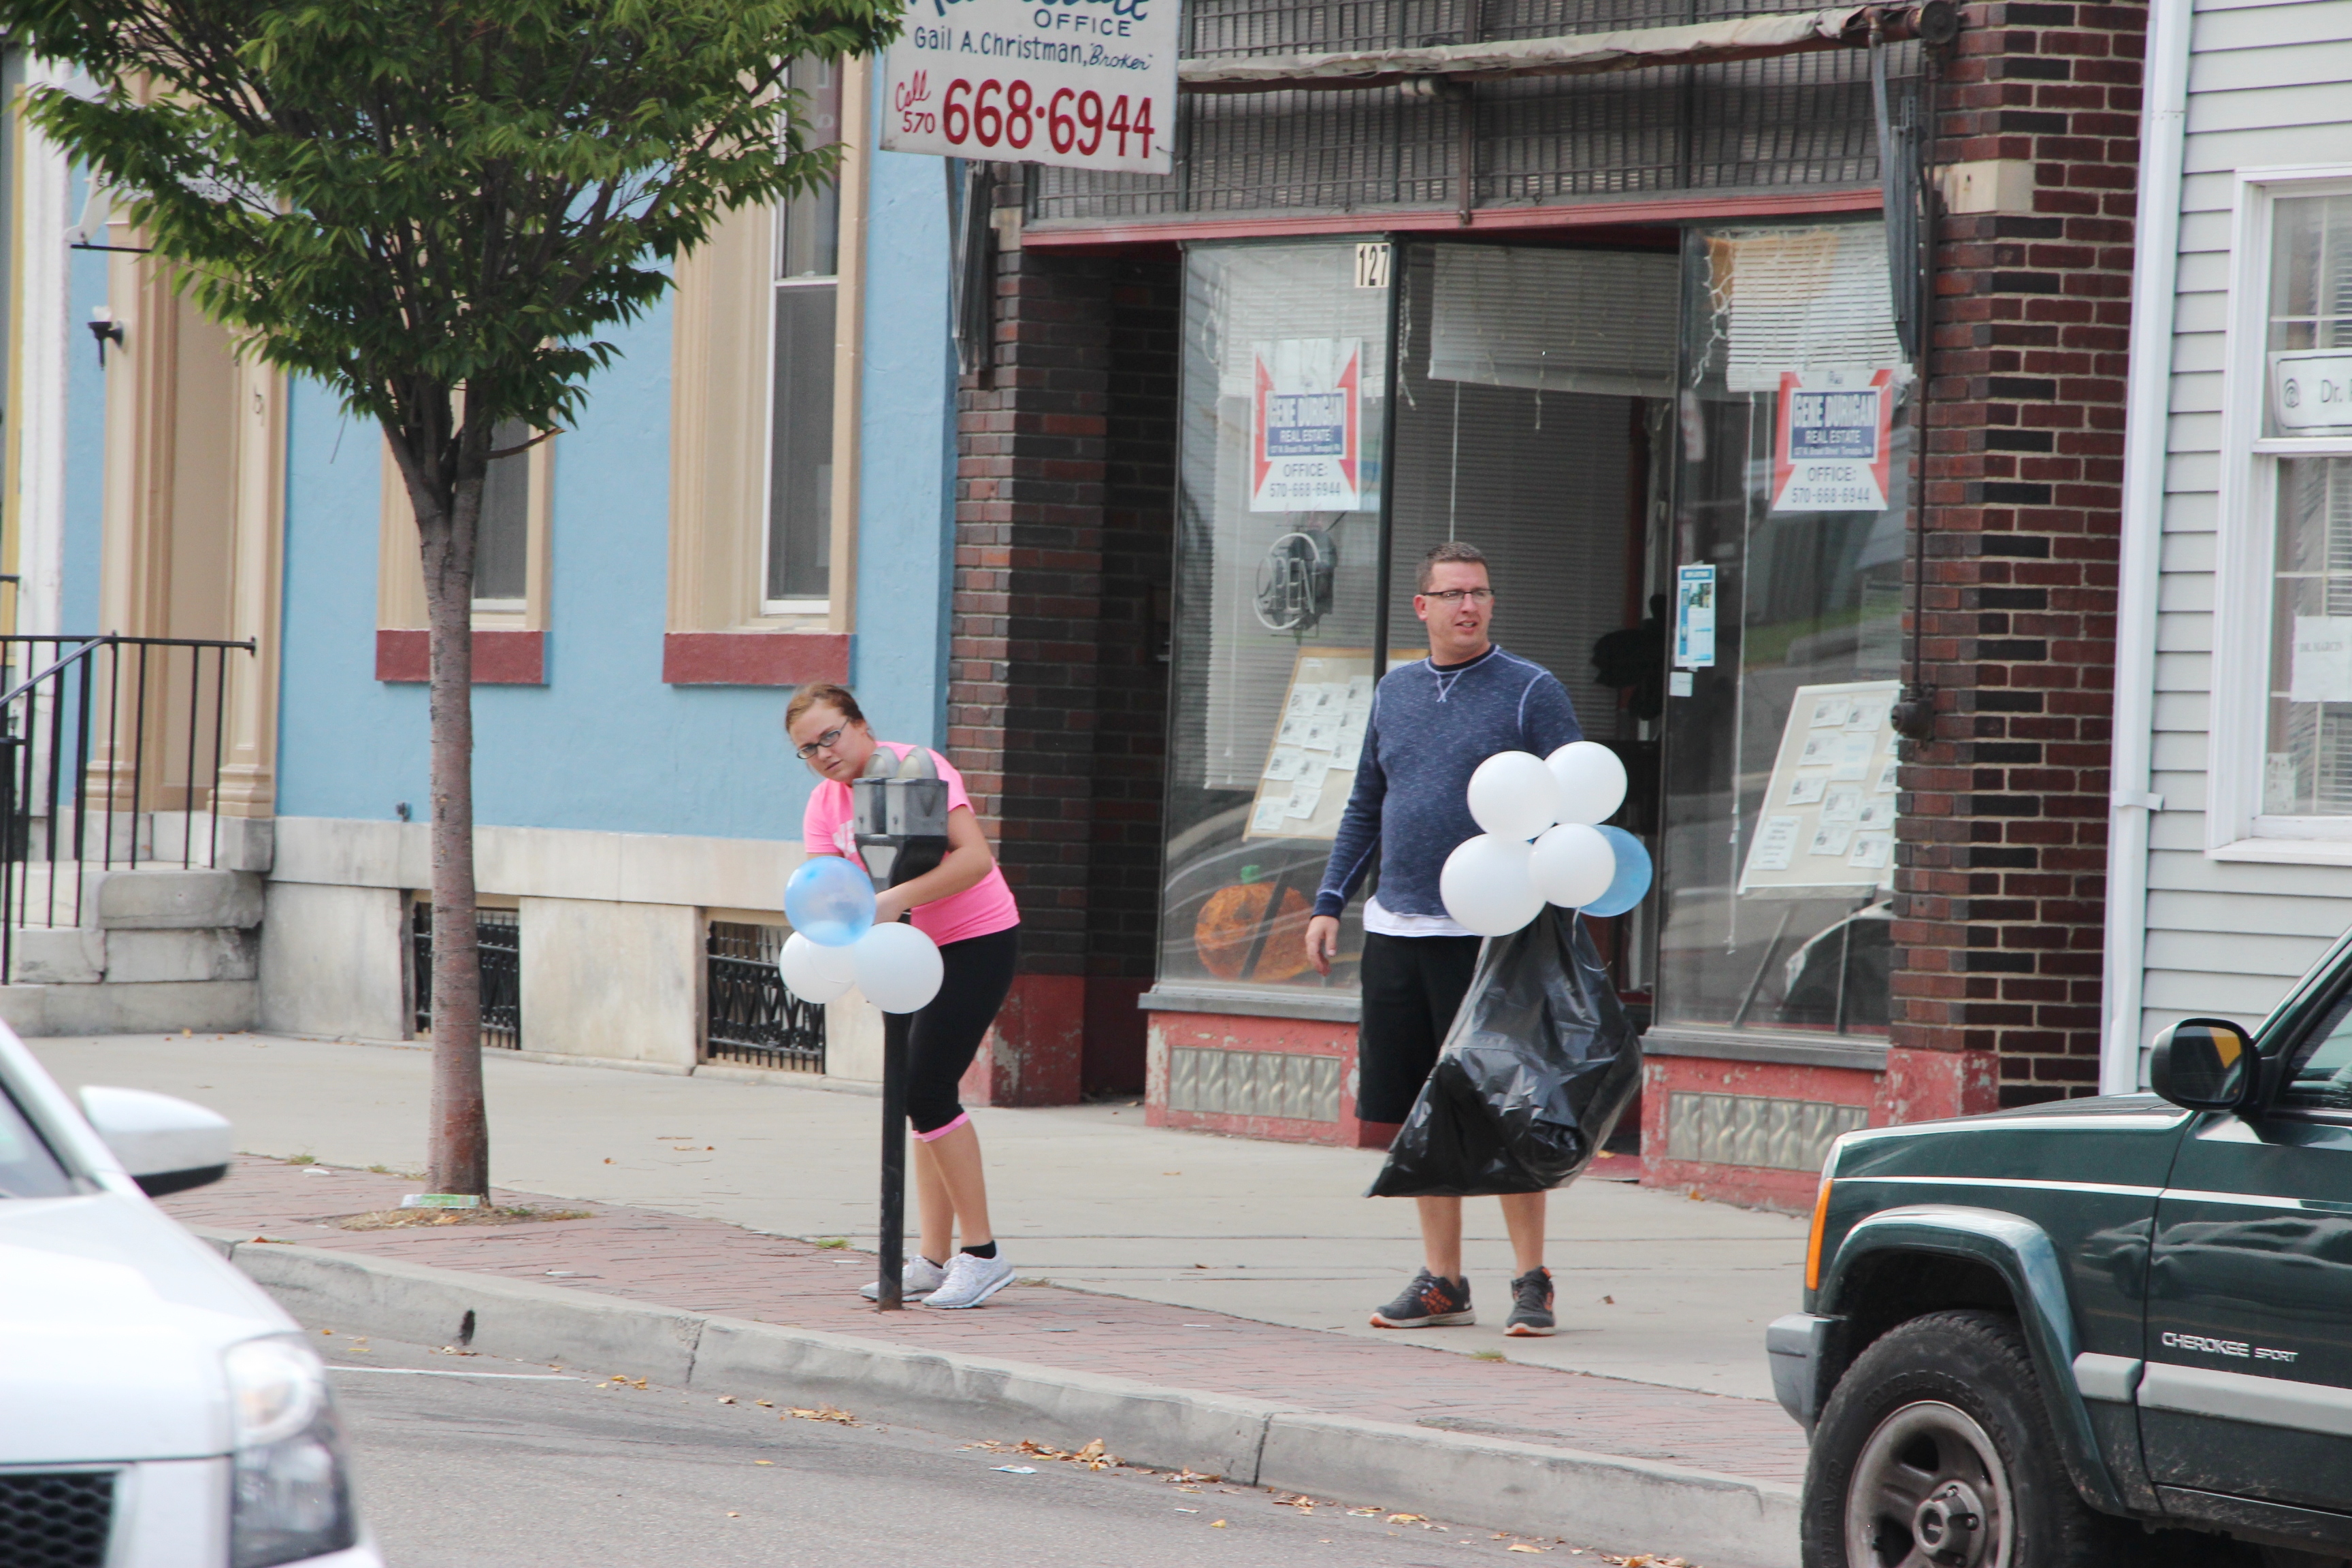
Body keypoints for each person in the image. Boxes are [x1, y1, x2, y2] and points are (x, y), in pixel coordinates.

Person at [1305, 541, 1583, 1337]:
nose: (1470, 606)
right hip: (1398, 927)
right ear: (1421, 606)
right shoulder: (1394, 692)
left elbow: (1575, 809)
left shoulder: (1530, 690)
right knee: (1421, 1114)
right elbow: (1367, 803)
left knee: (1509, 1106)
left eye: (1481, 593)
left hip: (1492, 937)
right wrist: (1330, 900)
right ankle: (1443, 1281)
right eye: (1454, 594)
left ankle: (1532, 1280)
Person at [788, 683, 1023, 1309]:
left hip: (974, 939)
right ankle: (933, 1259)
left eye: (830, 736)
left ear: (861, 725)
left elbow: (975, 861)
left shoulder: (918, 769)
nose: (823, 754)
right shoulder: (824, 803)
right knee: (921, 1096)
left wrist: (894, 900)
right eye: (808, 749)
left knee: (925, 1088)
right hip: (901, 953)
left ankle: (984, 1256)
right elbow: (831, 888)